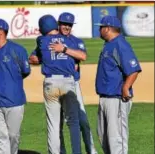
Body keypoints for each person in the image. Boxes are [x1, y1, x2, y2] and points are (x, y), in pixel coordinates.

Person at [29, 15, 81, 154]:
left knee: (53, 125)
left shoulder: (41, 40)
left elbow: (34, 57)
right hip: (68, 82)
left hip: (50, 82)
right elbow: (80, 55)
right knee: (73, 122)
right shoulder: (69, 39)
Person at [49, 12, 98, 154]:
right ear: (59, 24)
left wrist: (64, 49)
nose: (66, 27)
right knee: (57, 124)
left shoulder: (76, 41)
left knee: (82, 121)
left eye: (69, 25)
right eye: (64, 24)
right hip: (55, 82)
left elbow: (82, 56)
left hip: (73, 85)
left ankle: (91, 150)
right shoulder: (49, 40)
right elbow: (35, 57)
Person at [0, 18, 31, 154]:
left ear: (1, 32)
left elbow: (26, 71)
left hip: (15, 100)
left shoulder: (18, 50)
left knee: (13, 136)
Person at [94, 15, 142, 154]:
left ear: (107, 28)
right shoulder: (109, 44)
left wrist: (126, 87)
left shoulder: (121, 44)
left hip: (116, 99)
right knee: (104, 138)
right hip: (105, 97)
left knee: (117, 140)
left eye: (101, 27)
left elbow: (133, 69)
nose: (99, 30)